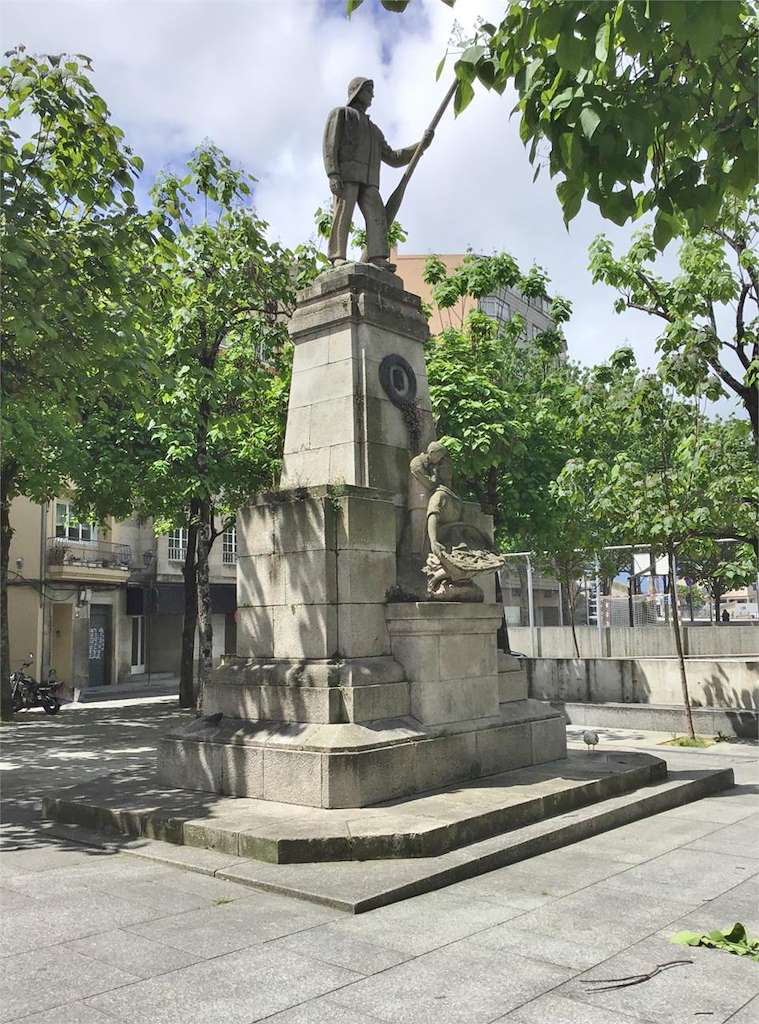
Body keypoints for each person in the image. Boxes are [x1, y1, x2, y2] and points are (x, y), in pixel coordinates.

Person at [323, 77, 433, 271]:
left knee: (377, 214)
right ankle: (337, 256)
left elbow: (393, 157)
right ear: (357, 92)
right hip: (346, 175)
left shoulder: (375, 131)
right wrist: (333, 173)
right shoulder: (341, 114)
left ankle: (377, 257)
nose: (372, 95)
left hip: (370, 181)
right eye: (369, 91)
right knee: (342, 215)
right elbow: (330, 145)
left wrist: (420, 146)